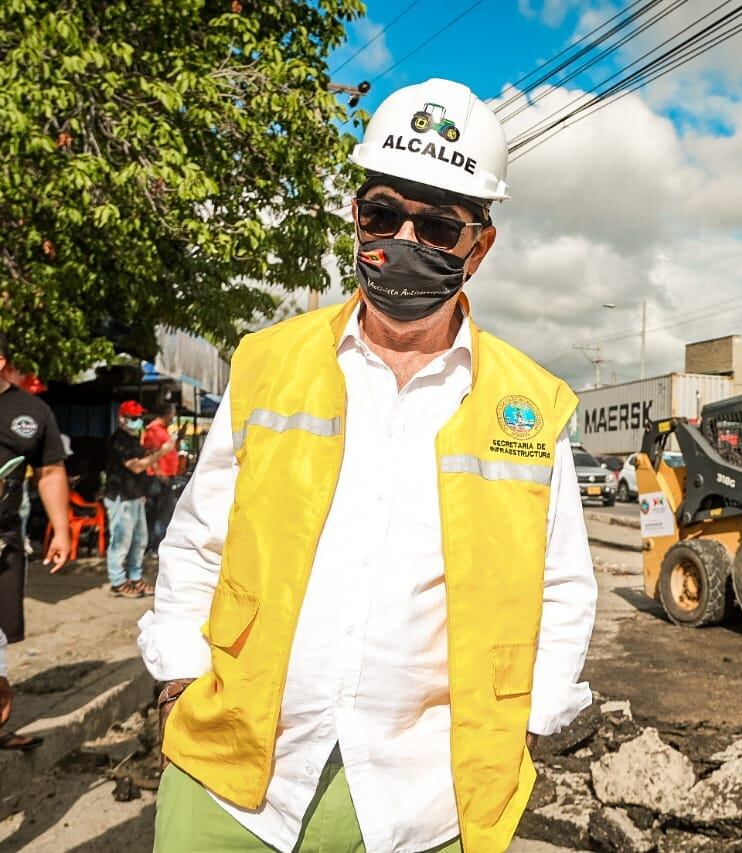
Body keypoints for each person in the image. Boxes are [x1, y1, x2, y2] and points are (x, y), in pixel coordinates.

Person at [137, 78, 598, 853]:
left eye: (439, 226)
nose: (405, 242)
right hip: (235, 778)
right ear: (356, 217)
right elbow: (200, 537)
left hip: (422, 801)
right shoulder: (268, 362)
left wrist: (526, 721)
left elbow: (561, 585)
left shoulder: (530, 404)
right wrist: (180, 674)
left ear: (478, 246)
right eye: (383, 213)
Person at [0, 332, 70, 748]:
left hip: (4, 545)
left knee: (1, 638)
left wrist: (60, 528)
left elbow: (49, 470)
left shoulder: (32, 410)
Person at [104, 401, 173, 598]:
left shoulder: (132, 439)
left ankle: (135, 577)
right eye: (133, 418)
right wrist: (162, 452)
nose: (137, 422)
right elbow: (136, 466)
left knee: (139, 539)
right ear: (122, 419)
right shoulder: (118, 441)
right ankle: (117, 581)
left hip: (134, 495)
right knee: (121, 540)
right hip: (121, 497)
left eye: (139, 418)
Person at [142, 403, 182, 552]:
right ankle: (153, 546)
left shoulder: (164, 430)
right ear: (167, 414)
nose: (174, 416)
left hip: (165, 476)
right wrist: (159, 472)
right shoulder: (153, 430)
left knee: (163, 512)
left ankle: (156, 544)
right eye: (173, 413)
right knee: (157, 513)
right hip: (157, 478)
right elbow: (149, 454)